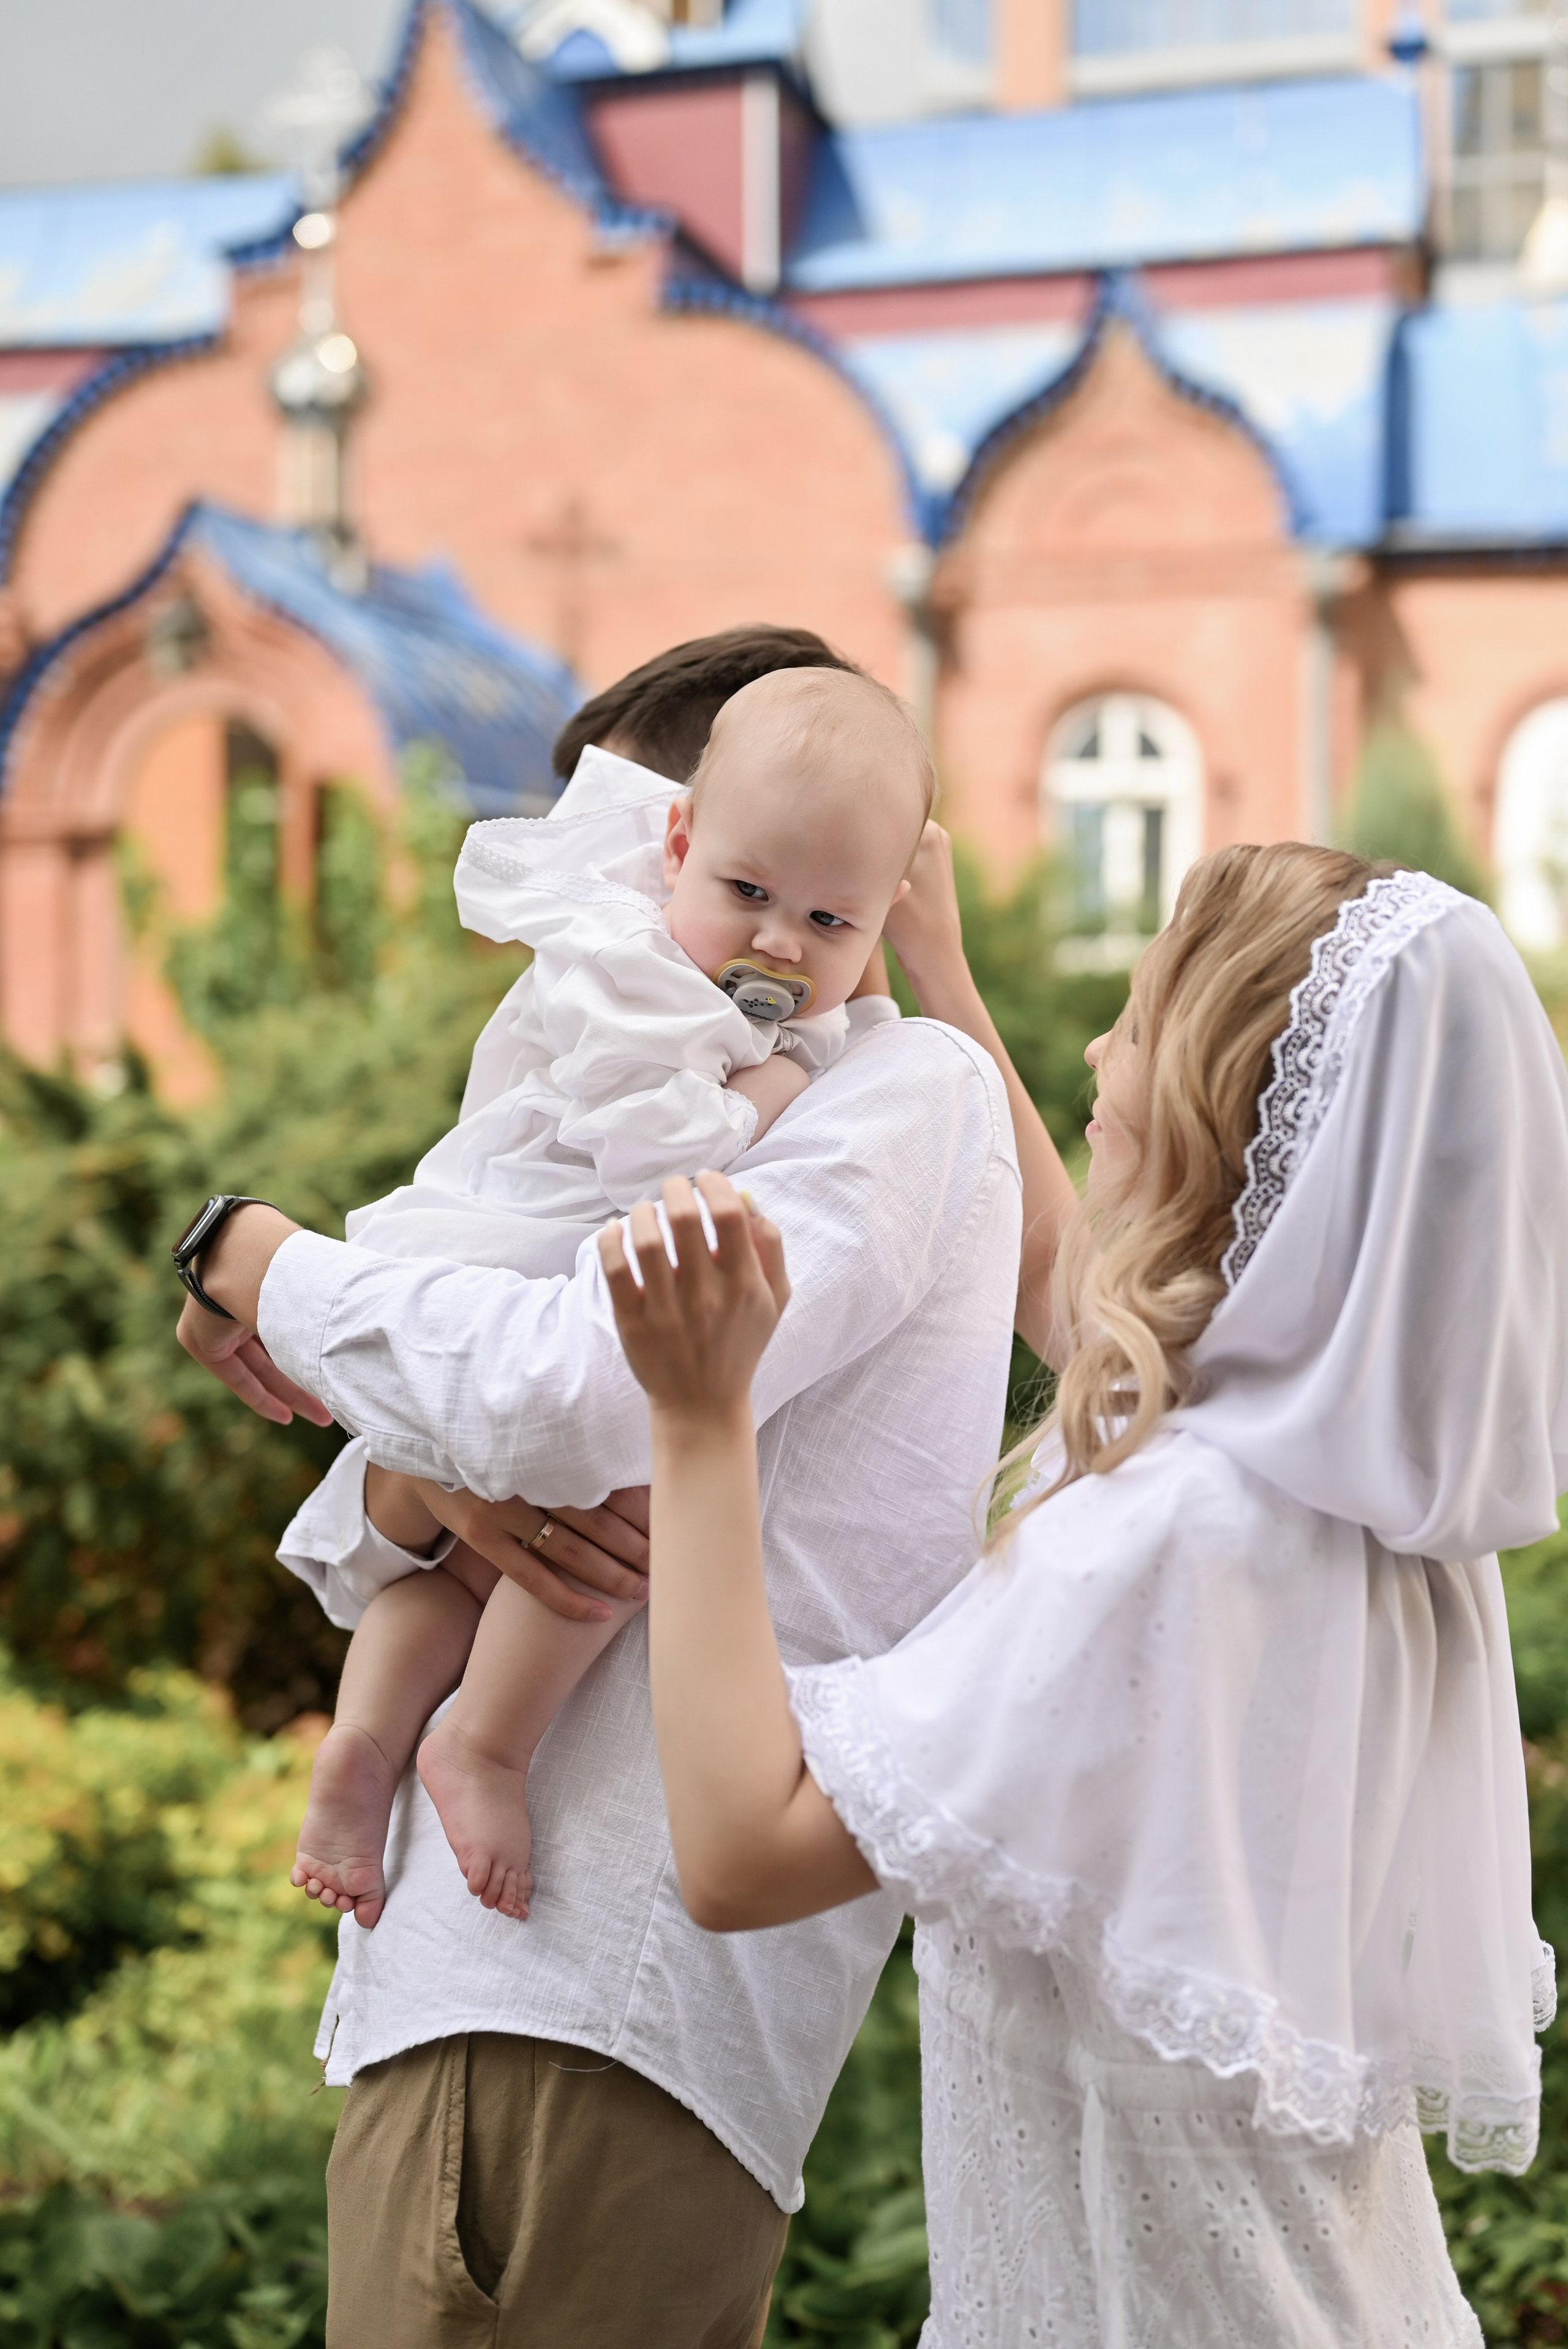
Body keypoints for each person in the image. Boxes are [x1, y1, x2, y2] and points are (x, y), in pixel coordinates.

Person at [172, 625, 1028, 2348]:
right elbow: (385, 1516)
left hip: (582, 2005)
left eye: (820, 910)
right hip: (485, 1995)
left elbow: (576, 1394)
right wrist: (418, 1477)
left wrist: (255, 1257)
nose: (747, 943)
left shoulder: (886, 1095)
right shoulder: (644, 1059)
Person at [600, 843, 1567, 2348]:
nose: (1096, 1053)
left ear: (1224, 1110)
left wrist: (697, 1412)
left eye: (1135, 1019)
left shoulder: (1169, 1535)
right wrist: (944, 977)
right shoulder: (1370, 1513)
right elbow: (1088, 1306)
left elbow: (740, 1847)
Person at [283, 668, 935, 1929]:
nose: (778, 945)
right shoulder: (633, 964)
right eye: (746, 893)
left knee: (463, 1568)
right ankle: (481, 1740)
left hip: (500, 1274)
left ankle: (361, 1740)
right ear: (676, 842)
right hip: (520, 1264)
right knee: (622, 1518)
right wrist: (764, 1099)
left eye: (827, 920)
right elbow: (654, 1148)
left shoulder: (809, 1013)